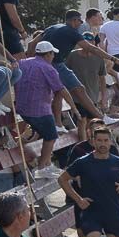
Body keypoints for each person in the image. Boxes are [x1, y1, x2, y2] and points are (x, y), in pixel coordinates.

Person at [15, 41, 83, 178]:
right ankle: (41, 168)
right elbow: (61, 89)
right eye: (52, 54)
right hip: (38, 110)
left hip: (22, 108)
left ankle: (46, 164)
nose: (53, 57)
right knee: (51, 136)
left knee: (45, 134)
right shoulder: (48, 68)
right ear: (48, 54)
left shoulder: (23, 62)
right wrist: (74, 108)